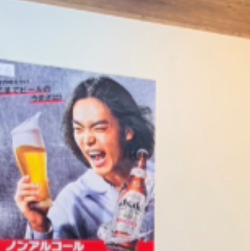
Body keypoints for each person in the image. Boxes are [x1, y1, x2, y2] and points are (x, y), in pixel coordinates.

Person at [14, 76, 155, 241]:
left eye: (99, 128)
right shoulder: (71, 202)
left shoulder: (163, 181)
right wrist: (39, 226)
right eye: (78, 129)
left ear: (128, 131)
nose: (87, 140)